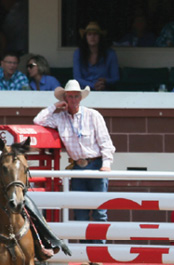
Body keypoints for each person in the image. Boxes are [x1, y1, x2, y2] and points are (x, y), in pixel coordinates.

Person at [33, 80, 116, 226]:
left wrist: (106, 164)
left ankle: (98, 248)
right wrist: (55, 106)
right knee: (80, 212)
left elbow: (105, 142)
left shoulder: (93, 115)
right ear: (64, 99)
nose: (73, 100)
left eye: (76, 96)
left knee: (99, 212)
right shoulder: (60, 118)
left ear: (81, 98)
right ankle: (84, 247)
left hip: (96, 165)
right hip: (78, 167)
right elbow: (38, 120)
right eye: (70, 96)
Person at [72, 21, 119, 91]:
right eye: (89, 34)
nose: (92, 37)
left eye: (95, 34)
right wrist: (93, 85)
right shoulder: (78, 53)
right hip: (84, 92)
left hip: (105, 91)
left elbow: (115, 78)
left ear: (100, 37)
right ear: (85, 37)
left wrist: (105, 81)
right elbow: (77, 78)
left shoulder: (110, 54)